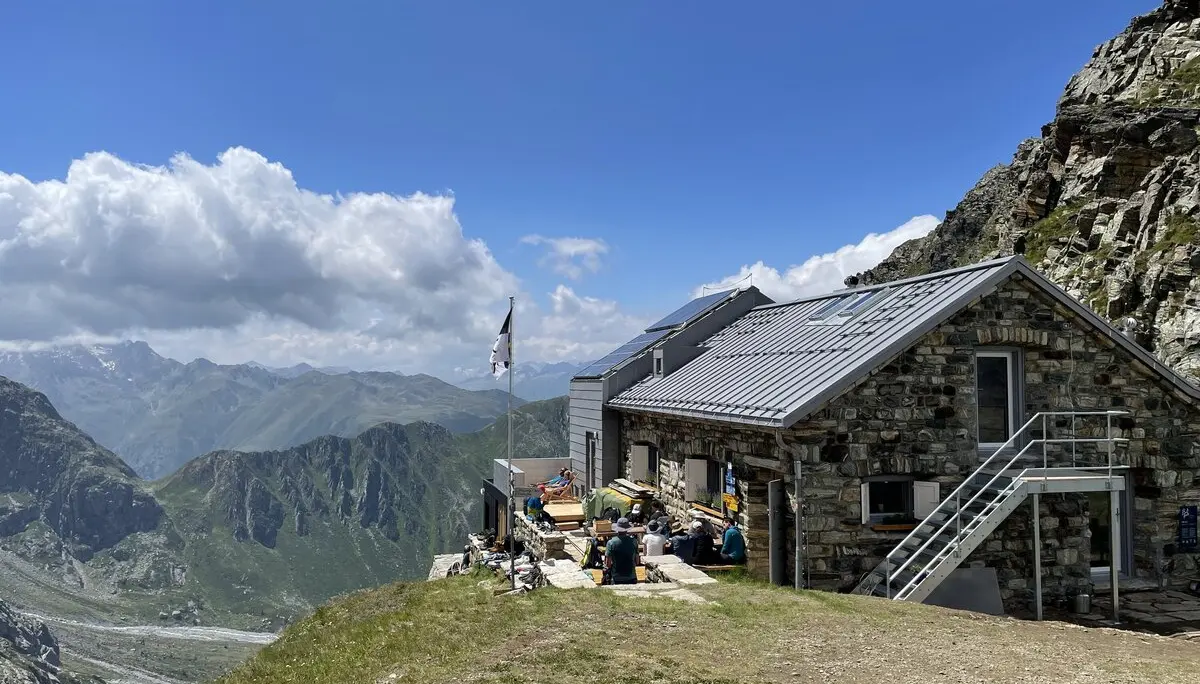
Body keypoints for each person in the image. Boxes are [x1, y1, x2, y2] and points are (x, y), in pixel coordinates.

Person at [604, 517, 640, 584]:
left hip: (616, 578)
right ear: (627, 529)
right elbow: (637, 561)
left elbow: (608, 564)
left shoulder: (611, 543)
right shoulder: (634, 541)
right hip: (632, 577)